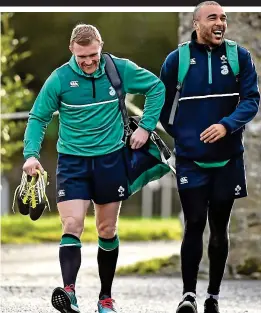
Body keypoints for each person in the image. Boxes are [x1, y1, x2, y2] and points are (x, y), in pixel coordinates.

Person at [20, 24, 165, 313]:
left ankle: (105, 299)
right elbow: (38, 117)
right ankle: (69, 293)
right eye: (82, 56)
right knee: (72, 224)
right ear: (72, 50)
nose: (88, 62)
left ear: (101, 46)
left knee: (107, 229)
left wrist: (146, 128)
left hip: (110, 160)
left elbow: (156, 87)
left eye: (94, 55)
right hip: (72, 162)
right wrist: (31, 155)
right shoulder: (60, 79)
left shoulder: (118, 69)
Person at [159, 2, 260, 313]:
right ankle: (188, 295)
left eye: (223, 18)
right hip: (191, 160)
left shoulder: (239, 56)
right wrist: (184, 137)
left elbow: (251, 100)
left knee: (219, 227)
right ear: (196, 23)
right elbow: (163, 109)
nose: (220, 23)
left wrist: (226, 125)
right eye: (213, 18)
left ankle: (213, 296)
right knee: (194, 223)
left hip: (228, 158)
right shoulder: (176, 60)